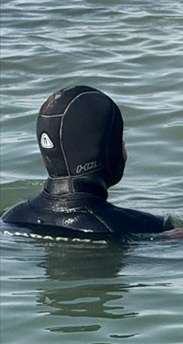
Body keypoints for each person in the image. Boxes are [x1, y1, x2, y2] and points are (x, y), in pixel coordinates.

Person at [2, 85, 174, 237]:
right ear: (106, 151)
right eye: (119, 141)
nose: (124, 149)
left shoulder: (11, 218)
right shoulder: (147, 227)